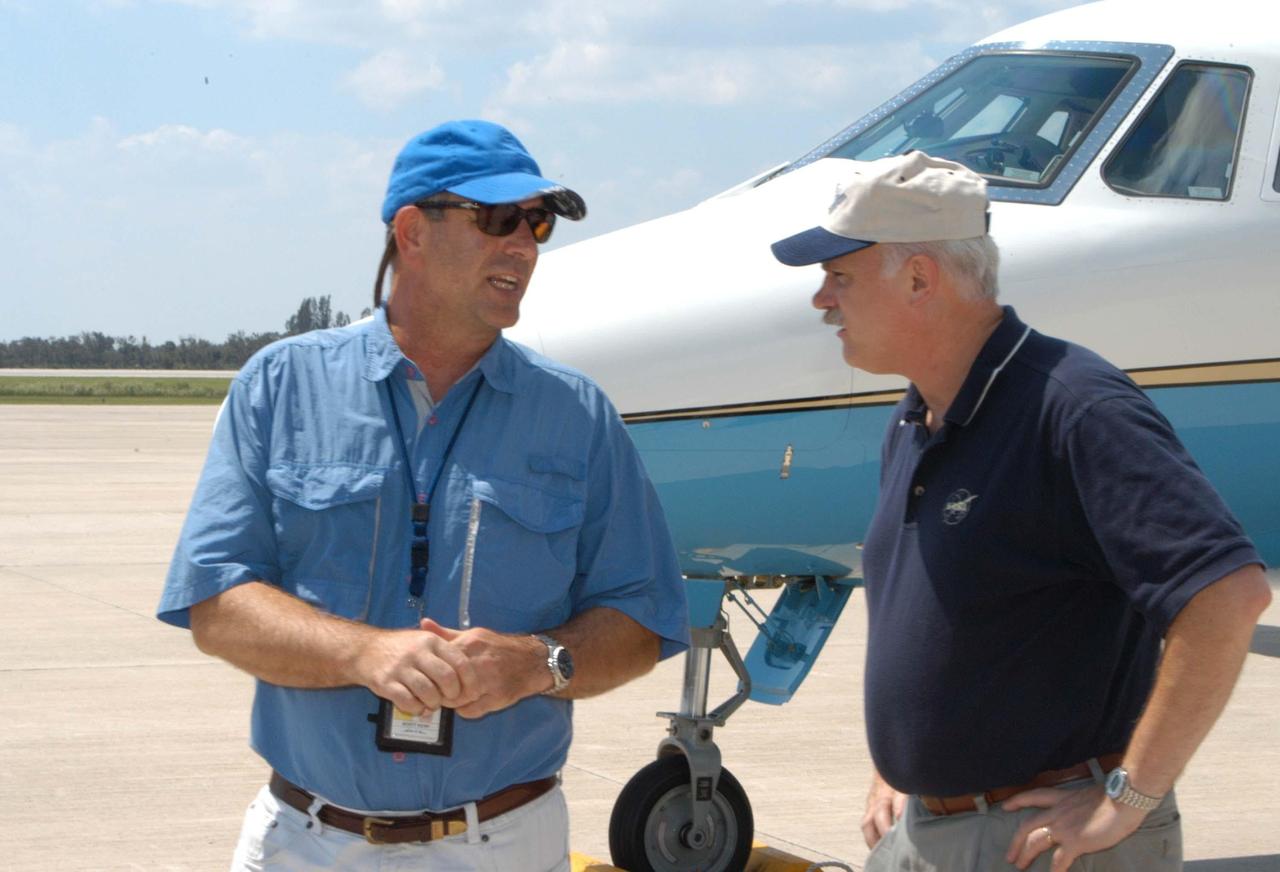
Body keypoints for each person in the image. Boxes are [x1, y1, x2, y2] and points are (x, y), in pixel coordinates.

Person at [158, 119, 689, 872]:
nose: (526, 247)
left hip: (503, 843)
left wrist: (538, 662)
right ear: (411, 232)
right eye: (499, 221)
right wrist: (365, 653)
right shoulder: (281, 387)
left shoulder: (576, 414)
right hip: (304, 843)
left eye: (537, 225)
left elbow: (643, 615)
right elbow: (215, 604)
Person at [770, 152, 1270, 872]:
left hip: (1040, 843)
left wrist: (1129, 798)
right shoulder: (915, 421)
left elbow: (1227, 595)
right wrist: (903, 767)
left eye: (840, 276)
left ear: (919, 279)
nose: (823, 299)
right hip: (929, 834)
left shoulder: (1077, 409)